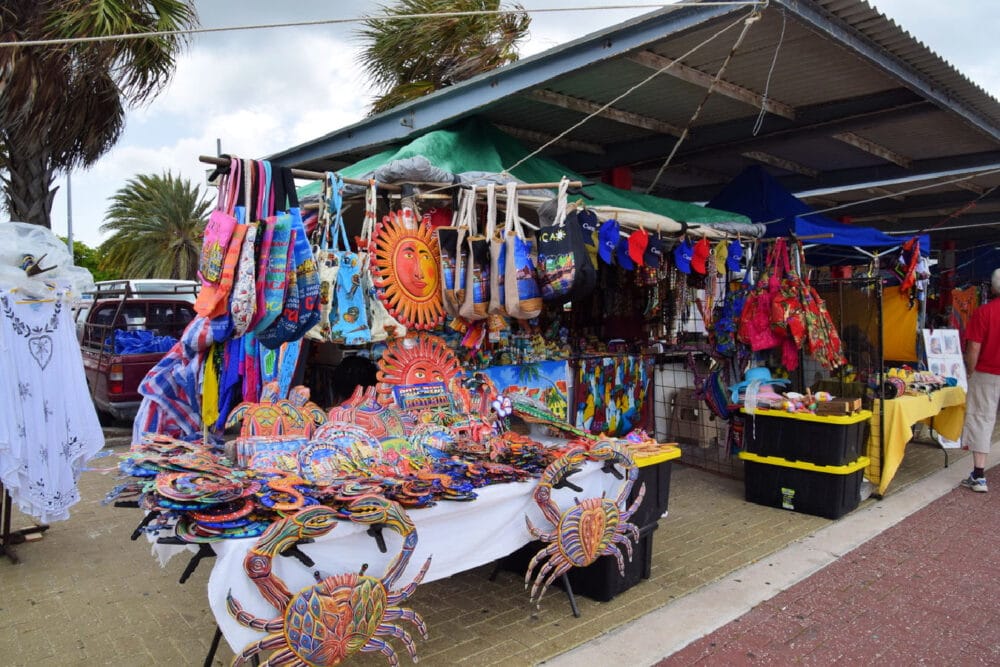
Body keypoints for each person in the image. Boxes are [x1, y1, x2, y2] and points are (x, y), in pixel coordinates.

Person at [959, 268, 1000, 492]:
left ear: (993, 287)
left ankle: (979, 475)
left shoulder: (984, 312)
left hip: (986, 373)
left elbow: (974, 347)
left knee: (982, 419)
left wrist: (970, 371)